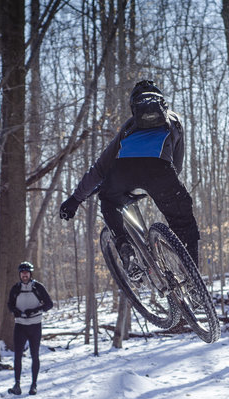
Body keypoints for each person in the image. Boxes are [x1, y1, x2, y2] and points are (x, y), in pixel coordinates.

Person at [59, 79, 200, 278]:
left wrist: (75, 199)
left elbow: (100, 168)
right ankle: (192, 279)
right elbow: (177, 165)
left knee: (109, 201)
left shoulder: (128, 127)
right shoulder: (174, 120)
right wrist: (163, 188)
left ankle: (125, 246)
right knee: (183, 221)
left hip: (122, 171)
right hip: (160, 171)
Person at [6, 261, 53, 396]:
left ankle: (34, 385)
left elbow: (49, 304)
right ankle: (17, 385)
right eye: (22, 273)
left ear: (30, 274)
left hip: (35, 326)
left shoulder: (38, 287)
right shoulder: (15, 288)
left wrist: (34, 310)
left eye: (27, 273)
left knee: (35, 355)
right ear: (20, 274)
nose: (24, 275)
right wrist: (15, 311)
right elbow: (10, 304)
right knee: (17, 355)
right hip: (20, 326)